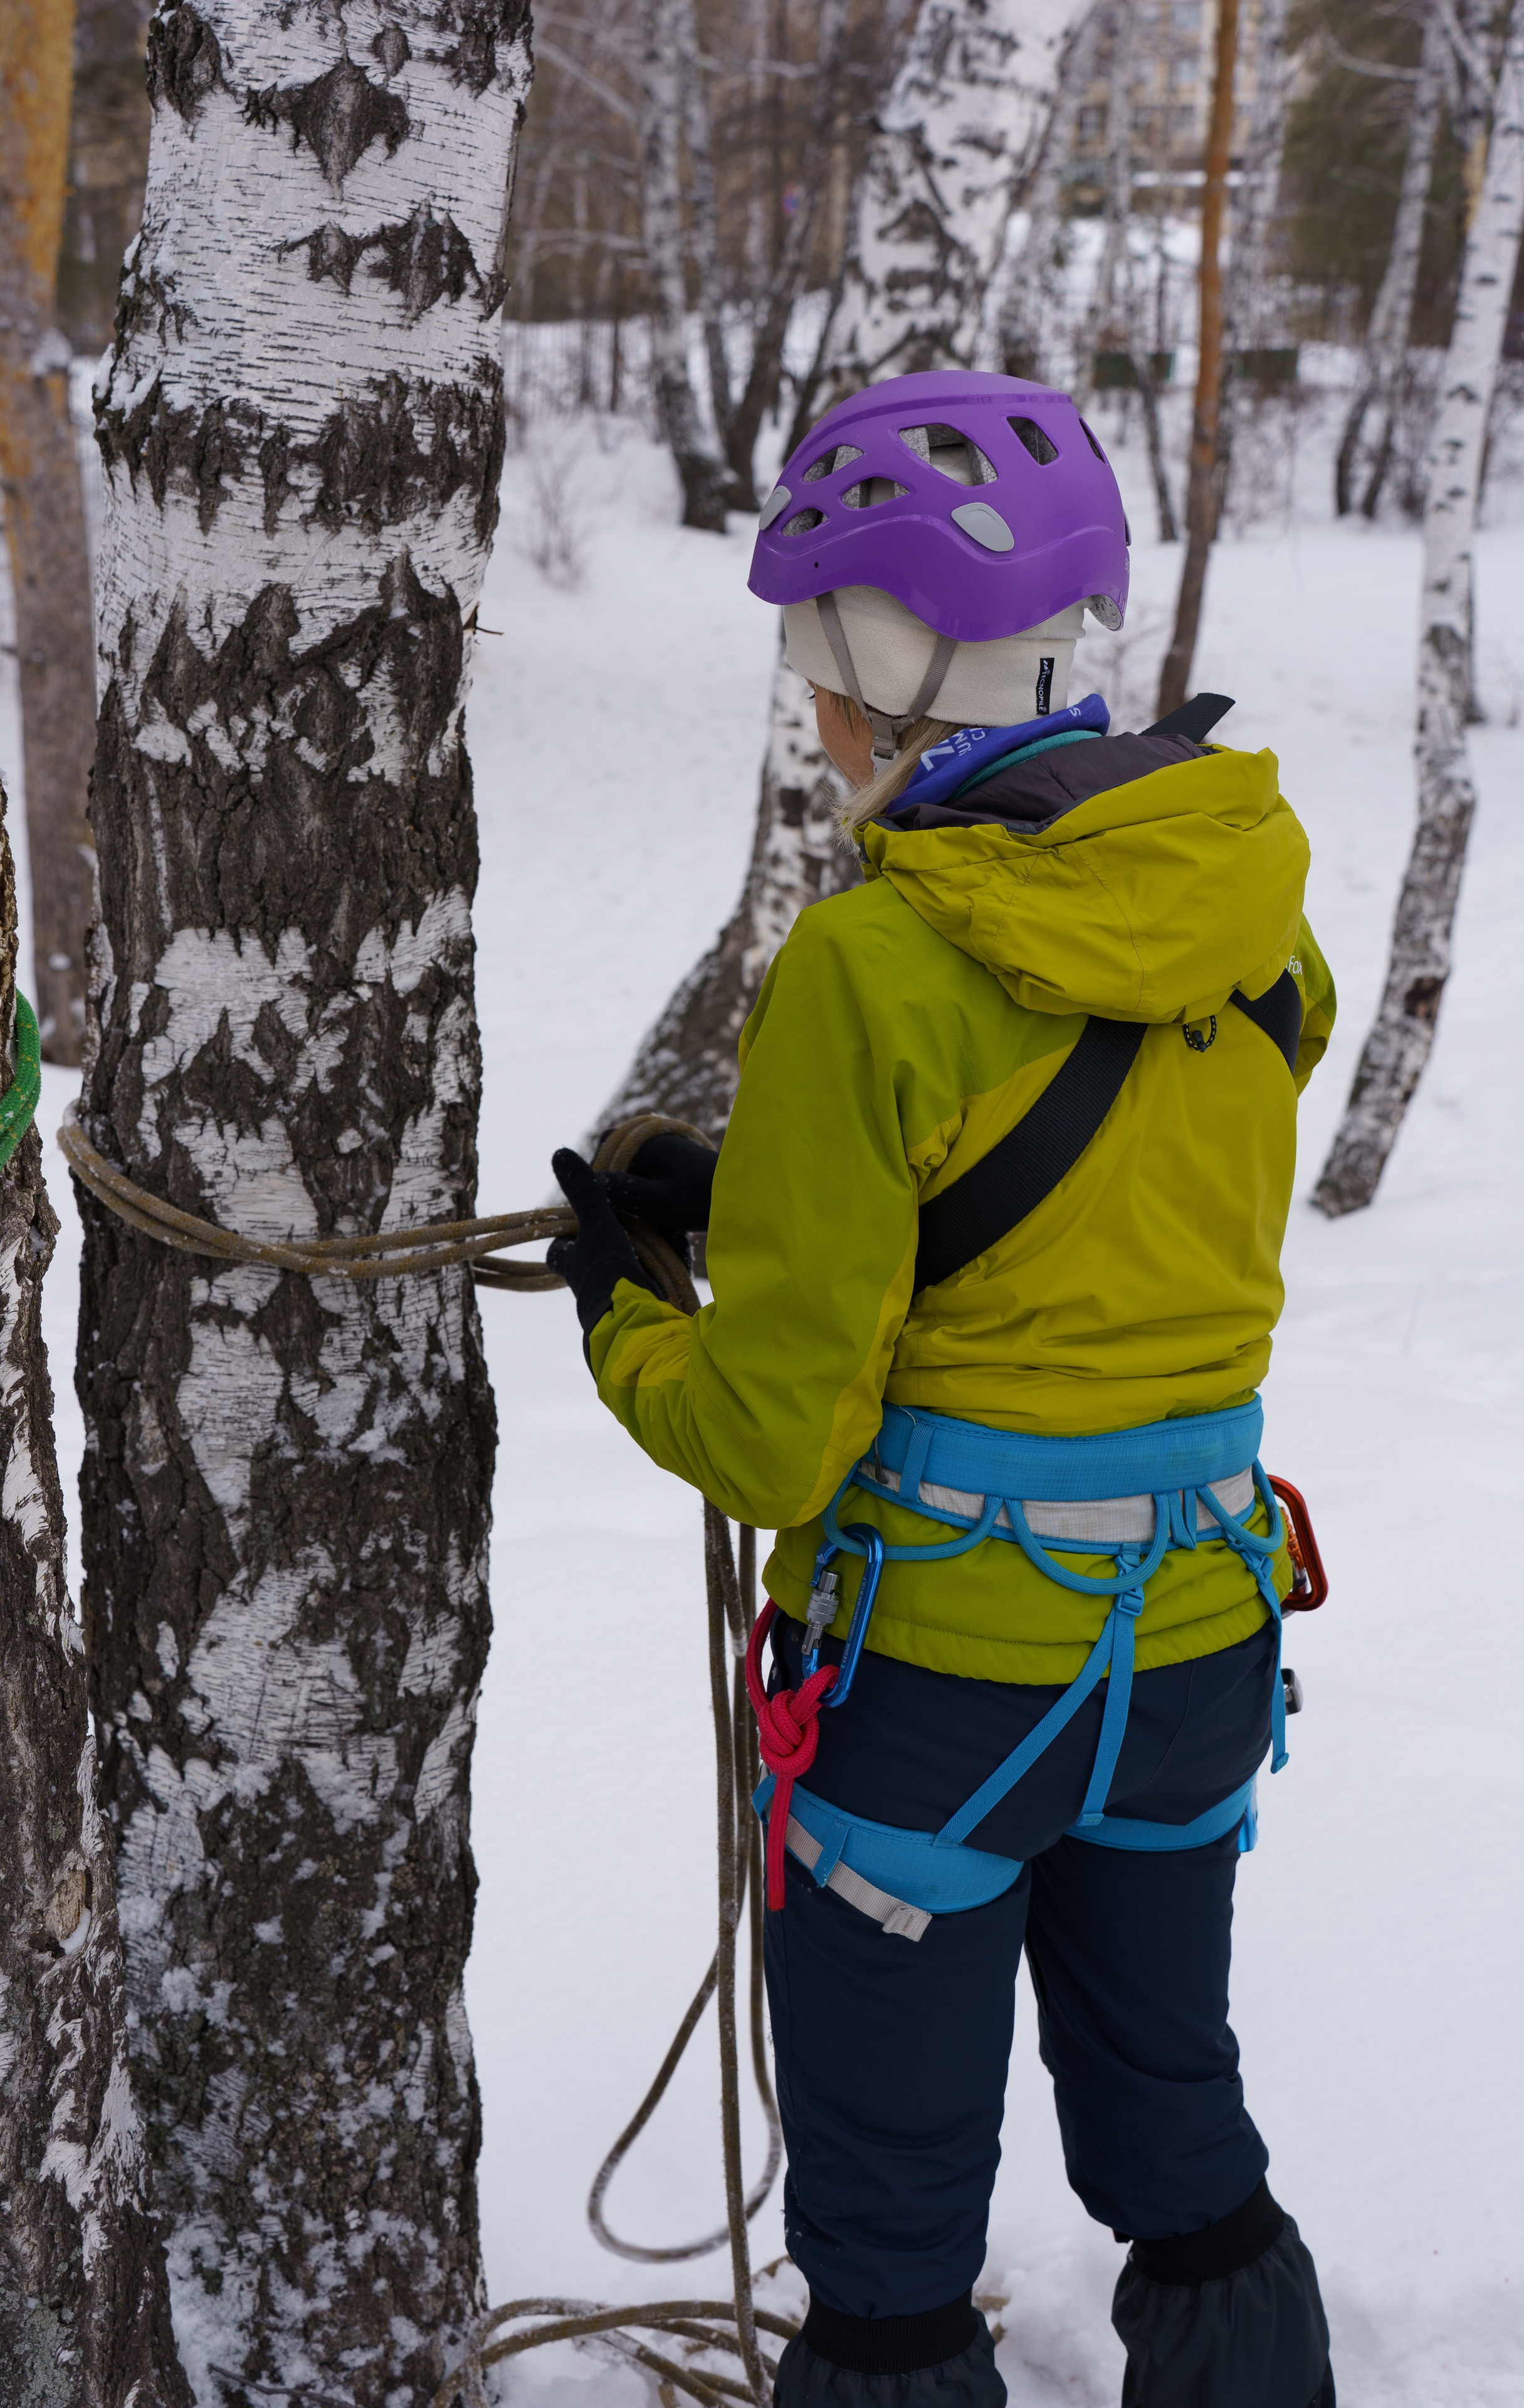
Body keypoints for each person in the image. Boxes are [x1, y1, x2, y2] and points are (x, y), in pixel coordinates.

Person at [547, 370, 1337, 2408]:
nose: (814, 715)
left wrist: (628, 1308)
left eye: (820, 666)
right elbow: (1106, 1191)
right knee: (1186, 2140)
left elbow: (768, 1430)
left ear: (889, 668)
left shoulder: (873, 965)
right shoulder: (1254, 923)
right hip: (1193, 1657)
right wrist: (795, 1191)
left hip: (938, 1698)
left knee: (892, 2239)